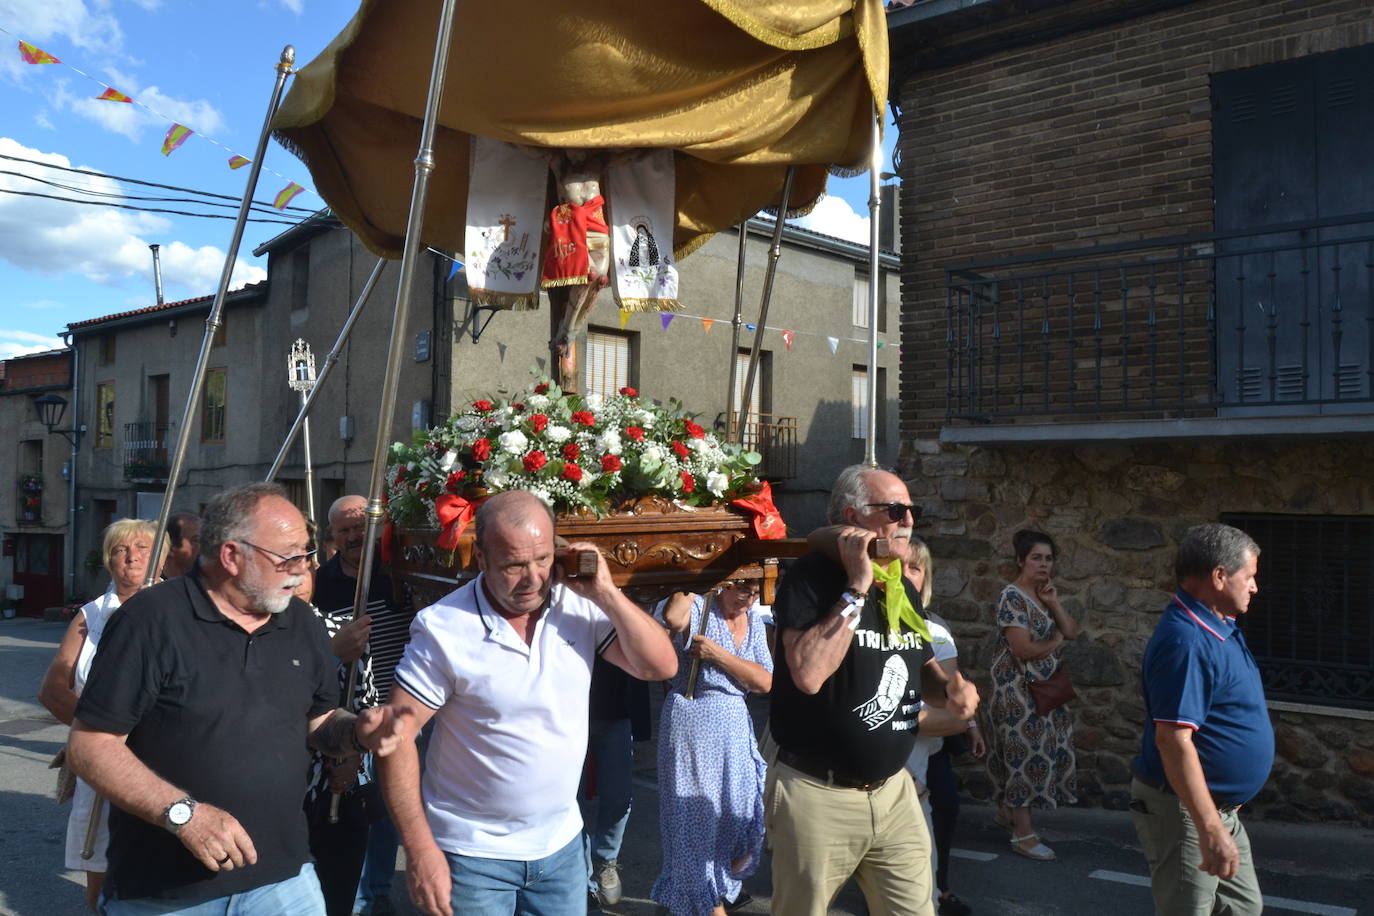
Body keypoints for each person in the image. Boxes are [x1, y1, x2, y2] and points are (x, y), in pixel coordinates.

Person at [66, 482, 406, 915]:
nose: (303, 570)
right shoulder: (150, 620)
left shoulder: (301, 622)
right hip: (167, 893)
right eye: (289, 556)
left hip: (285, 882)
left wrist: (359, 732)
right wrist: (185, 815)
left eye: (306, 553)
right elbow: (90, 746)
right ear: (231, 556)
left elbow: (319, 724)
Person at [376, 490, 678, 916]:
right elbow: (396, 738)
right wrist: (420, 849)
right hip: (471, 857)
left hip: (563, 849)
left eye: (541, 559)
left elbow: (660, 666)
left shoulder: (579, 606)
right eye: (513, 565)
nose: (532, 578)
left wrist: (606, 593)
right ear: (480, 558)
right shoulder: (443, 627)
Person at [766, 464, 979, 916]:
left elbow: (919, 666)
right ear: (854, 516)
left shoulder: (899, 585)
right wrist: (857, 587)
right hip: (817, 793)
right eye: (896, 510)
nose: (909, 521)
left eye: (912, 510)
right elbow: (806, 673)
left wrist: (953, 692)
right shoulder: (811, 578)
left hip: (893, 791)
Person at [1130, 523, 1269, 916]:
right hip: (1186, 811)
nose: (1255, 587)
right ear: (1219, 576)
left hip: (1217, 808)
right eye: (1250, 577)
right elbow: (1173, 740)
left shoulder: (1220, 625)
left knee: (1242, 908)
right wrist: (1209, 826)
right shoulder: (1187, 641)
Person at [38, 518, 167, 912]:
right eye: (119, 549)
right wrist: (101, 727)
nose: (130, 557)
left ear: (161, 557)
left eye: (141, 548)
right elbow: (53, 690)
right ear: (108, 561)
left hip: (165, 765)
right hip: (105, 764)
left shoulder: (180, 611)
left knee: (161, 870)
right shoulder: (91, 616)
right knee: (102, 871)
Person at [651, 579, 773, 916]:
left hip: (734, 727)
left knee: (738, 820)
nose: (749, 596)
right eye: (742, 588)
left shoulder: (755, 622)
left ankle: (686, 898)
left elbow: (764, 680)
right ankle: (706, 903)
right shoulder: (699, 607)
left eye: (754, 589)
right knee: (694, 822)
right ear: (723, 585)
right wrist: (698, 575)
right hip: (692, 723)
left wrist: (717, 655)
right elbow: (674, 619)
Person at [312, 495, 408, 916]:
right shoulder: (321, 582)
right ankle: (366, 895)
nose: (354, 537)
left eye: (360, 528)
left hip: (407, 706)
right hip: (355, 711)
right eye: (345, 530)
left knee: (394, 803)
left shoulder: (399, 574)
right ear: (332, 537)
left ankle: (379, 887)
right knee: (365, 805)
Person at [986, 529, 1078, 861]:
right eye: (1036, 557)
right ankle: (1023, 836)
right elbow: (1022, 649)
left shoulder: (1045, 594)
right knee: (1022, 758)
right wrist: (1054, 643)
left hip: (1044, 691)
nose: (1043, 564)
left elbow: (1071, 630)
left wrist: (1054, 603)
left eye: (1049, 558)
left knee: (1038, 753)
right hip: (1017, 693)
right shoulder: (1012, 597)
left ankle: (1008, 814)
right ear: (1021, 561)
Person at [902, 538, 982, 916]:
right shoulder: (857, 622)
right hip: (869, 768)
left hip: (918, 758)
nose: (905, 575)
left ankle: (938, 890)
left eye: (915, 568)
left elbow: (949, 699)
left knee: (936, 818)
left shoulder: (936, 632)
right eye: (898, 565)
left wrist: (968, 716)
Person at [580, 656, 649, 911]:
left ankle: (605, 859)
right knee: (569, 804)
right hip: (569, 709)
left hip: (616, 707)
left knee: (620, 798)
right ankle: (584, 880)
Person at [163, 511, 202, 579]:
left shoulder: (206, 585)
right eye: (196, 540)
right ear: (171, 547)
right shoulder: (151, 585)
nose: (204, 547)